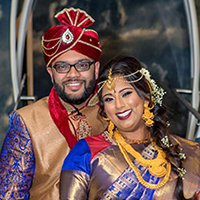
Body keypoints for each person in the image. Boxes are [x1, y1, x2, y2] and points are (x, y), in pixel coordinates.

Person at [0, 7, 107, 200]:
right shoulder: (27, 121)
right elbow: (10, 195)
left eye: (82, 65)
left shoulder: (115, 111)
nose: (73, 74)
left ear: (96, 68)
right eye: (62, 66)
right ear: (51, 73)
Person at [60, 55, 200, 200]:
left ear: (146, 97)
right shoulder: (85, 152)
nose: (119, 105)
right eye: (109, 99)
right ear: (104, 109)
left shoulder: (190, 152)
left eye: (126, 94)